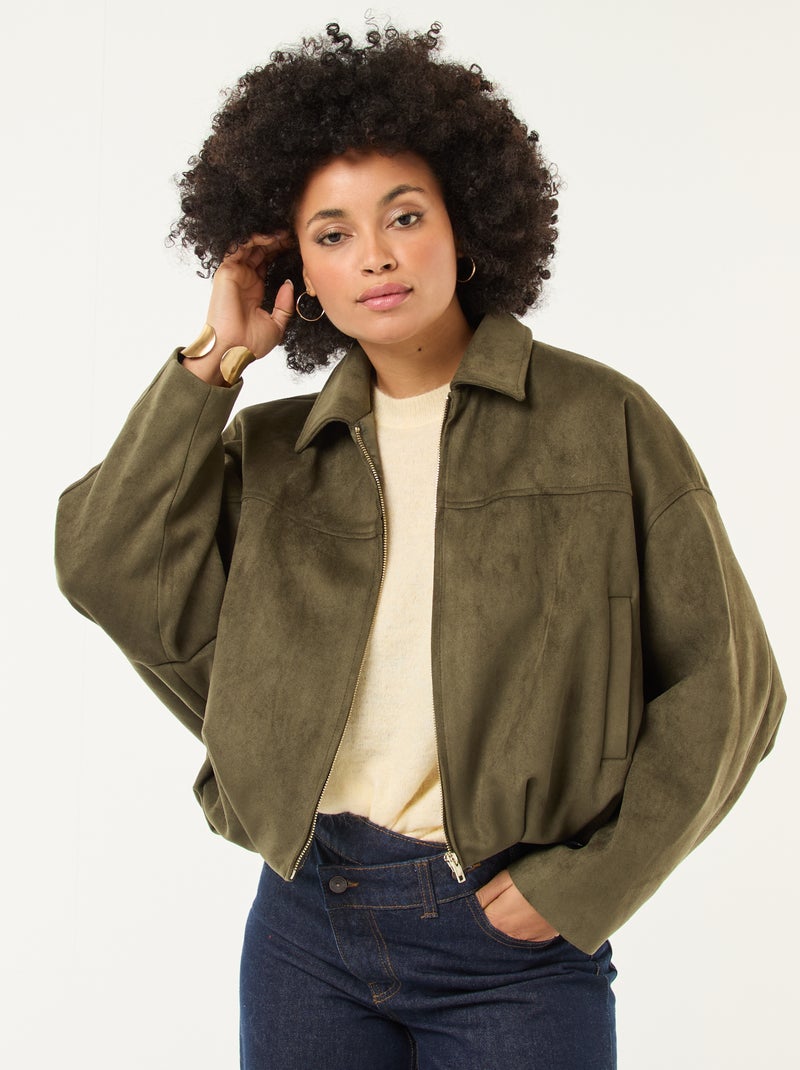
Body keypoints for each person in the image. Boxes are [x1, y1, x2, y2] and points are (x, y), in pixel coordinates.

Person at [55, 21, 785, 1070]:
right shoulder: (275, 451)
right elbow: (101, 561)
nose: (377, 255)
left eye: (404, 215)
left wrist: (581, 883)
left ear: (464, 224)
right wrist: (215, 361)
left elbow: (729, 687)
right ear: (297, 271)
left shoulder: (601, 421)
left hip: (511, 944)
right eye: (332, 234)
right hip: (304, 920)